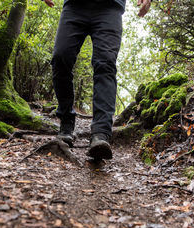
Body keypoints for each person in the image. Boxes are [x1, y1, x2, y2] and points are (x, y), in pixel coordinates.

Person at [44, 0, 151, 160]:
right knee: (60, 58)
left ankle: (100, 134)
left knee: (105, 64)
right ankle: (66, 122)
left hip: (110, 8)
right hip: (74, 7)